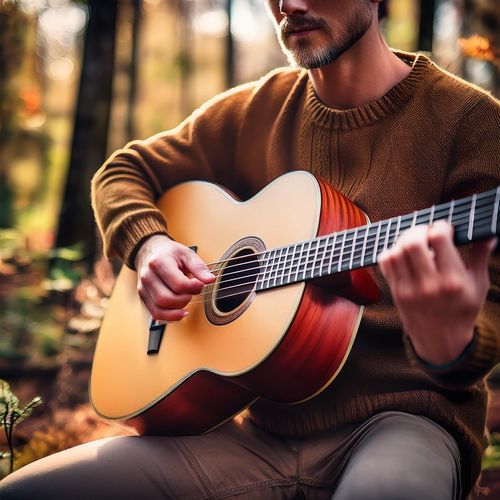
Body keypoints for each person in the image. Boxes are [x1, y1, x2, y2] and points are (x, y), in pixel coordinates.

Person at [1, 0, 499, 498]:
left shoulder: (473, 125)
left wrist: (448, 343)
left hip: (404, 427)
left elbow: (490, 318)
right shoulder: (255, 110)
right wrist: (150, 246)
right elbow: (123, 171)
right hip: (252, 437)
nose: (289, 5)